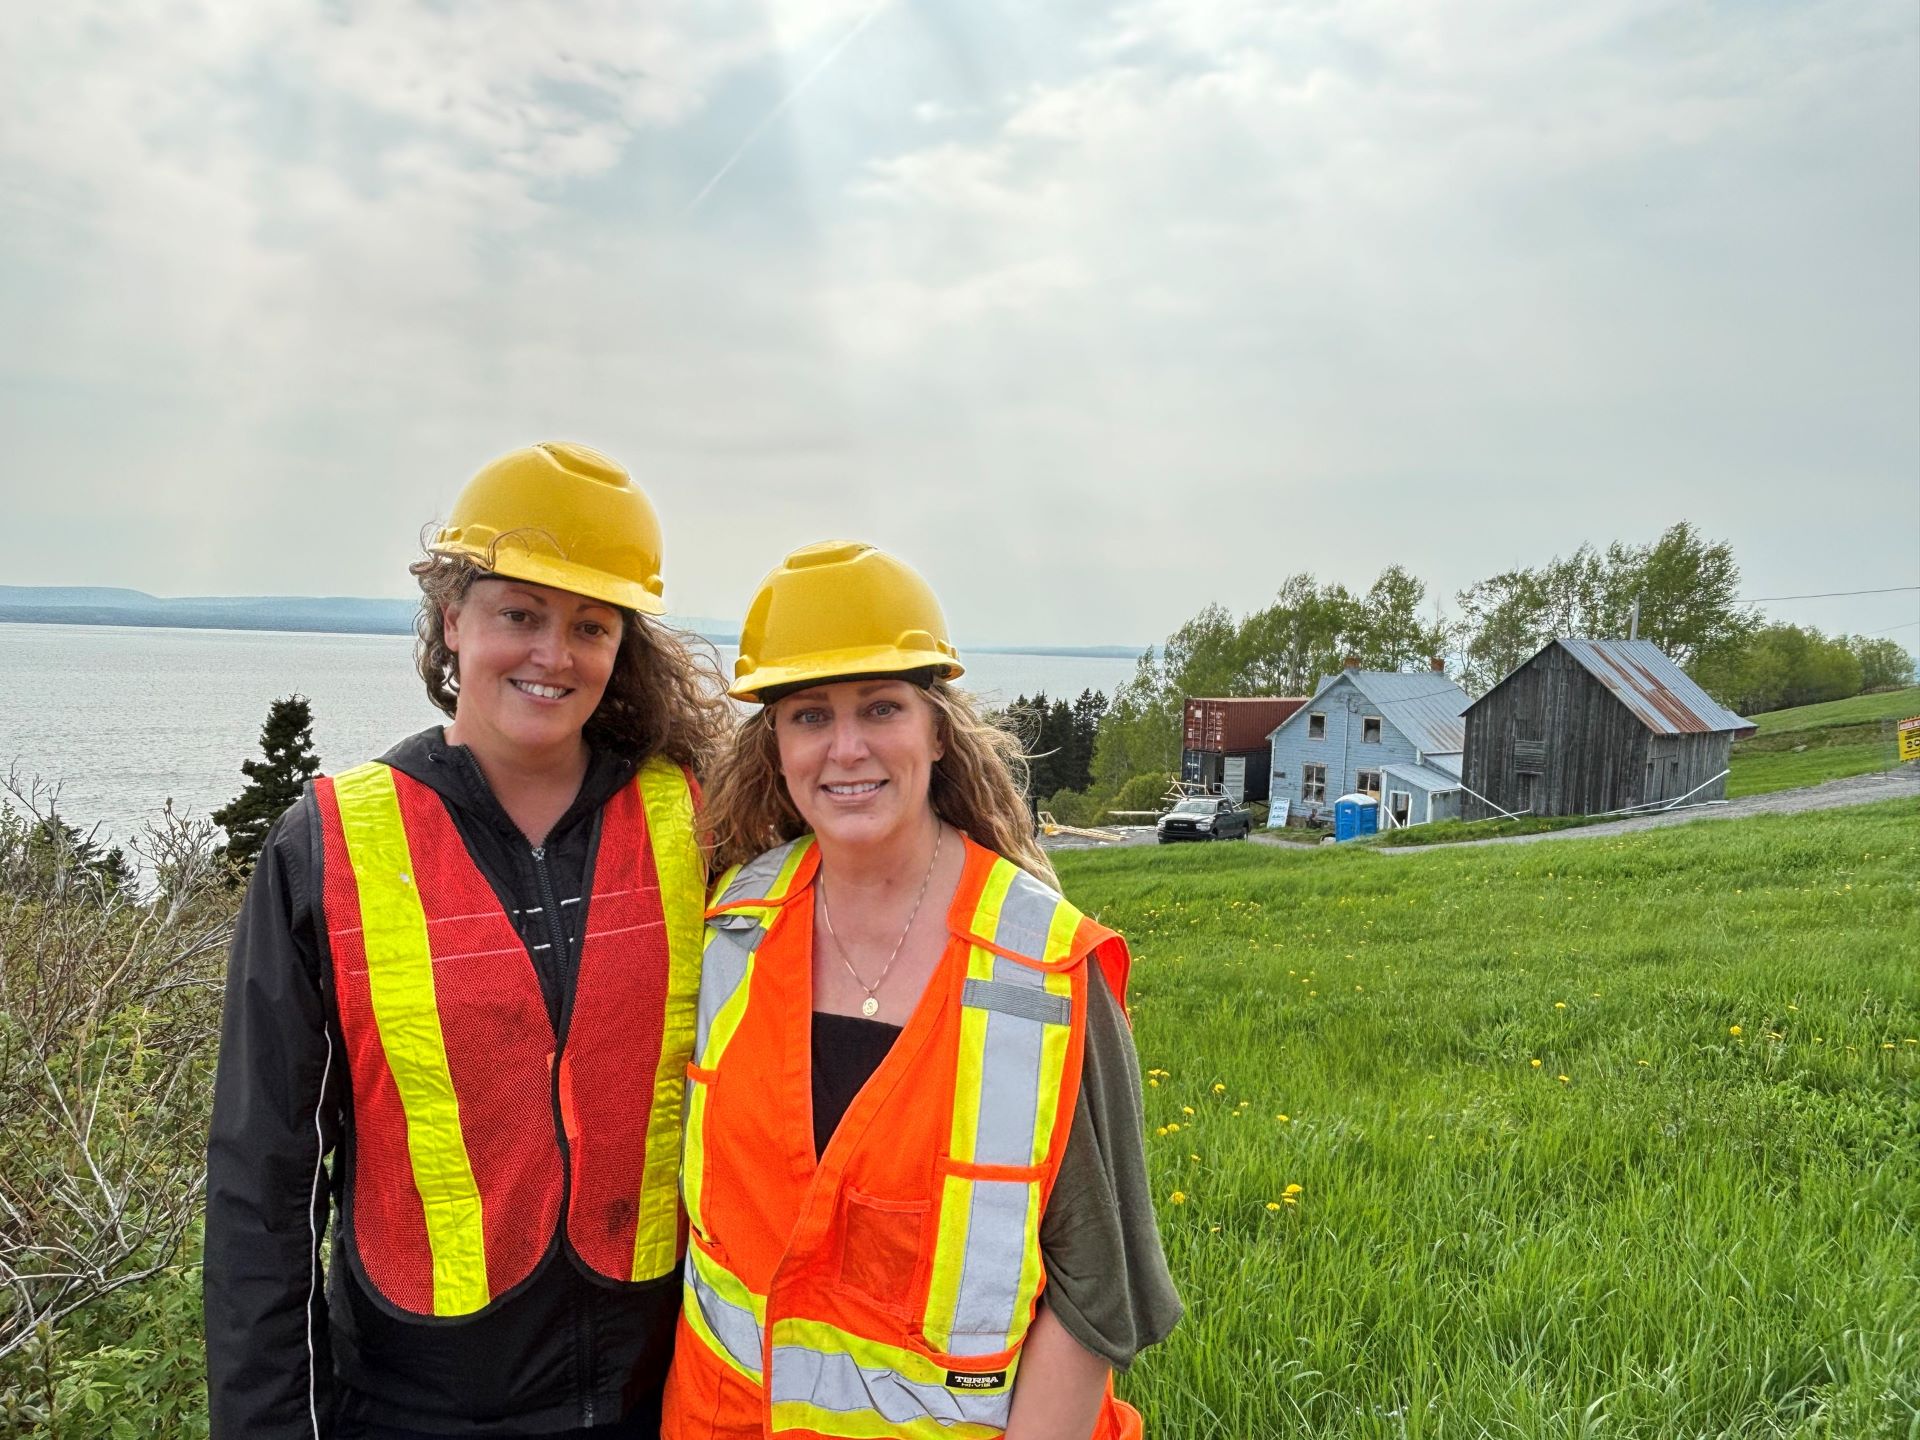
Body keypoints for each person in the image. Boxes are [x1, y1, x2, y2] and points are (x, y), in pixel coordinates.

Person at [204, 442, 728, 1439]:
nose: (551, 654)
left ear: (624, 644)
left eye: (589, 625)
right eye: (517, 614)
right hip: (411, 1409)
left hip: (660, 1398)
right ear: (452, 619)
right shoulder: (330, 847)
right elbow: (261, 1195)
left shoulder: (696, 819)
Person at [662, 540, 1180, 1440]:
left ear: (937, 730)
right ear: (775, 744)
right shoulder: (731, 929)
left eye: (881, 708)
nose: (847, 747)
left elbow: (1100, 1288)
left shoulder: (1043, 966)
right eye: (810, 716)